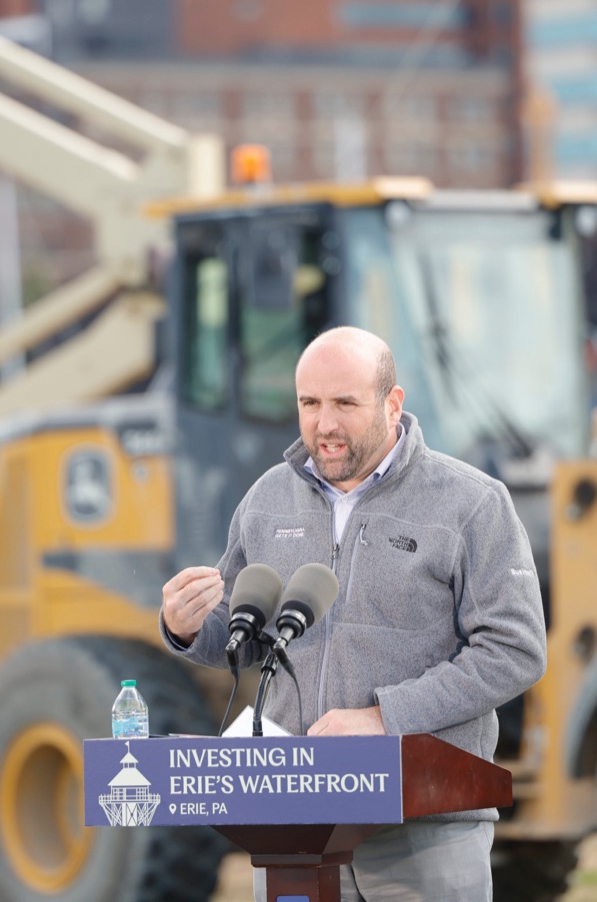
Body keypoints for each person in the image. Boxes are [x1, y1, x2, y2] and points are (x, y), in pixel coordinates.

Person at [160, 326, 546, 901]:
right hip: (295, 829)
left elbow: (514, 652)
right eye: (309, 404)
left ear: (393, 403)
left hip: (426, 831)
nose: (324, 423)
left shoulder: (472, 502)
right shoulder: (267, 499)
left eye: (345, 403)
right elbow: (244, 635)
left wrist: (384, 717)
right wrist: (187, 626)